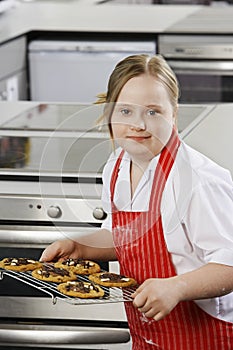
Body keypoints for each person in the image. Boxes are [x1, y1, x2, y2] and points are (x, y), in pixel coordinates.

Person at [40, 54, 233, 349]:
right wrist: (81, 246)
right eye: (126, 111)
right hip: (148, 336)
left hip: (204, 337)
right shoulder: (117, 166)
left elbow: (228, 265)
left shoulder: (196, 180)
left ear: (174, 115)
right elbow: (125, 236)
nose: (138, 124)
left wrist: (176, 288)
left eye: (153, 112)